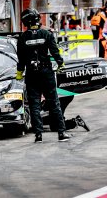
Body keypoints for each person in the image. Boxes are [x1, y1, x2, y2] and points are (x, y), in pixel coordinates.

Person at [16, 8, 70, 143]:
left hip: (31, 74)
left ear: (25, 22)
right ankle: (62, 133)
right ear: (37, 19)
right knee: (54, 103)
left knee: (34, 104)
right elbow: (55, 51)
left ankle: (38, 135)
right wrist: (60, 64)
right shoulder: (47, 34)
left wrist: (19, 73)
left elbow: (21, 59)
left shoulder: (22, 38)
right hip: (46, 73)